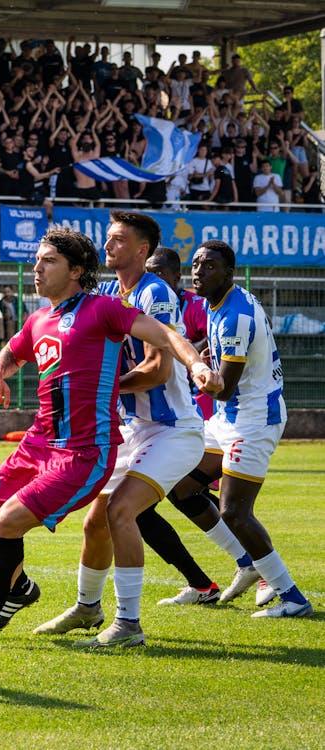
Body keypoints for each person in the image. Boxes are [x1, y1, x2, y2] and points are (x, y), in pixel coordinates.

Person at [0, 228, 221, 649]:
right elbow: (12, 352)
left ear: (75, 270)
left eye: (48, 261)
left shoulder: (103, 309)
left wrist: (196, 365)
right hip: (38, 442)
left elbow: (164, 335)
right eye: (37, 260)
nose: (37, 268)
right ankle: (20, 590)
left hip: (83, 451)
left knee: (8, 522)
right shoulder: (39, 319)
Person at [34, 213, 227, 647]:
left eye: (118, 240)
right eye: (107, 239)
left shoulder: (155, 291)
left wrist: (98, 388)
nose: (108, 246)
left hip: (172, 429)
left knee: (123, 512)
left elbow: (157, 371)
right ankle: (88, 608)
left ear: (142, 250)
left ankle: (129, 625)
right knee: (94, 524)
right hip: (134, 428)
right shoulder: (103, 292)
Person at [176, 241, 312, 619]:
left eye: (210, 266)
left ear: (229, 273)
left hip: (253, 417)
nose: (199, 272)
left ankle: (292, 596)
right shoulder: (218, 301)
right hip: (230, 417)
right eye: (197, 264)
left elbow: (224, 388)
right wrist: (204, 356)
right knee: (181, 485)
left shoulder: (235, 315)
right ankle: (247, 563)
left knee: (235, 512)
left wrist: (192, 370)